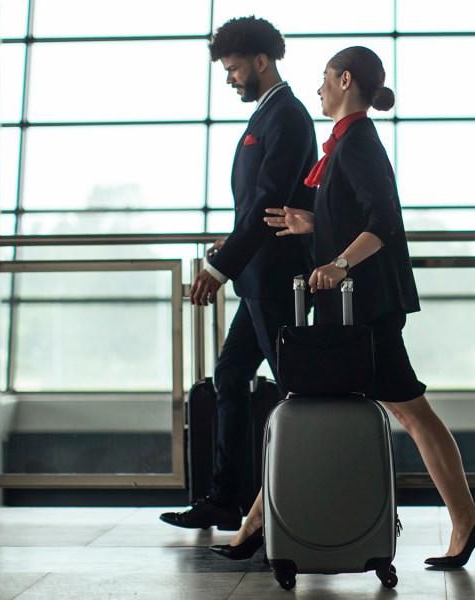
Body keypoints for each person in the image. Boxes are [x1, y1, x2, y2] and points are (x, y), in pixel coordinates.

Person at [212, 46, 475, 568]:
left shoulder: (358, 141)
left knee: (397, 411)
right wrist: (313, 224)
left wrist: (339, 262)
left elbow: (384, 220)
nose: (318, 89)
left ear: (346, 81)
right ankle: (256, 524)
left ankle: (465, 519)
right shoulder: (345, 144)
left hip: (364, 307)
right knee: (338, 404)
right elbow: (358, 215)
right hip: (356, 307)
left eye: (324, 79)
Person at [159, 16, 317, 531]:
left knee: (298, 389)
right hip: (257, 278)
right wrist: (232, 245)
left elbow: (271, 202)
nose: (229, 79)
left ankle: (305, 499)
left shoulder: (287, 117)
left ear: (260, 61)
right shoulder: (268, 116)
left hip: (275, 280)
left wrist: (218, 266)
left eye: (233, 69)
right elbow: (258, 207)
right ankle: (228, 498)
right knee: (229, 376)